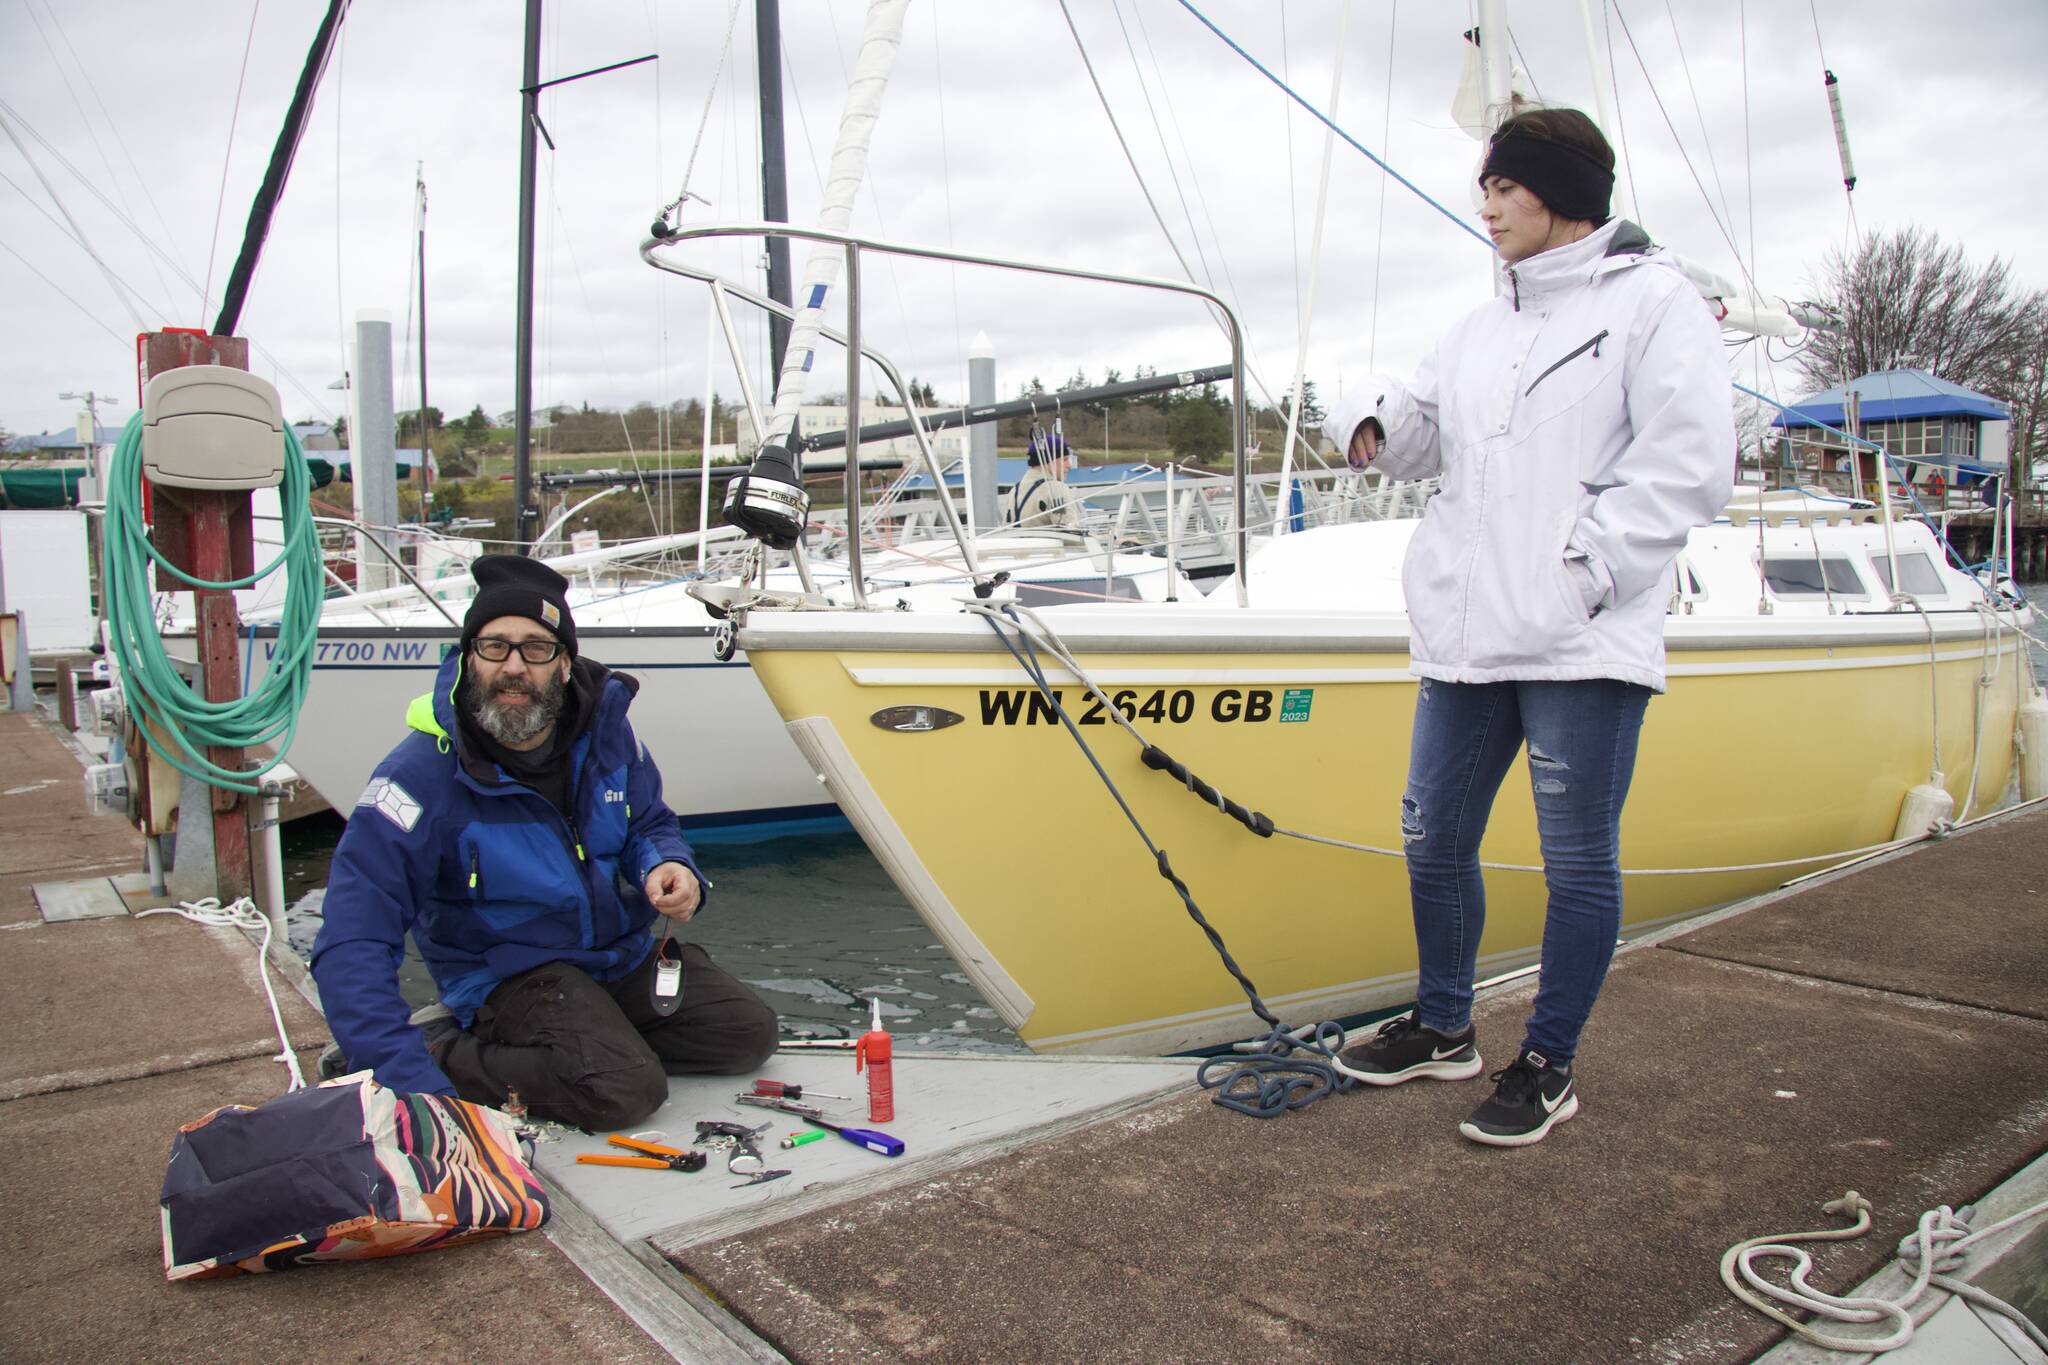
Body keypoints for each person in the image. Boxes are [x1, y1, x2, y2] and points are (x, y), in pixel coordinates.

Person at [1319, 106, 1735, 1146]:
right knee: (1432, 836)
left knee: (1575, 859)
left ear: (1559, 191)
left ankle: (1546, 1063)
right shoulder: (1478, 323)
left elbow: (1687, 464)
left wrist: (1580, 573)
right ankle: (1443, 1026)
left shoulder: (1652, 304)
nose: (1486, 204)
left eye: (1503, 185)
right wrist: (1369, 422)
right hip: (1467, 631)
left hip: (1577, 637)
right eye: (1486, 186)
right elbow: (1421, 437)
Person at [311, 554, 779, 1131]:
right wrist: (404, 1078)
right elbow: (354, 933)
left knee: (744, 1035)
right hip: (509, 976)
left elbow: (649, 821)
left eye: (536, 648)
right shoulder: (416, 777)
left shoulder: (608, 734)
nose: (513, 666)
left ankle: (590, 1046)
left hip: (616, 958)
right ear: (467, 657)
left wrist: (668, 863)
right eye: (494, 646)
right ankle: (441, 1049)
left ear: (563, 664)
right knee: (622, 1091)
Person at [1009, 427, 1085, 529]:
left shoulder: (1014, 491)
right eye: (1065, 459)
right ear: (1049, 461)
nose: (1069, 465)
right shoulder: (1057, 489)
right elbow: (1071, 533)